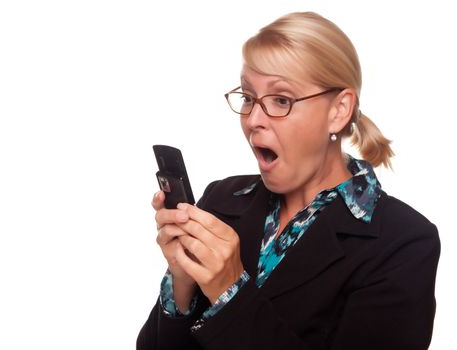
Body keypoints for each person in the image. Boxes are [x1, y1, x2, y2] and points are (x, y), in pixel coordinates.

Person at [137, 11, 440, 350]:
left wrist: (229, 291)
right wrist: (182, 283)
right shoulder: (221, 199)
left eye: (281, 100)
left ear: (338, 111)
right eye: (249, 98)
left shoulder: (404, 242)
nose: (253, 120)